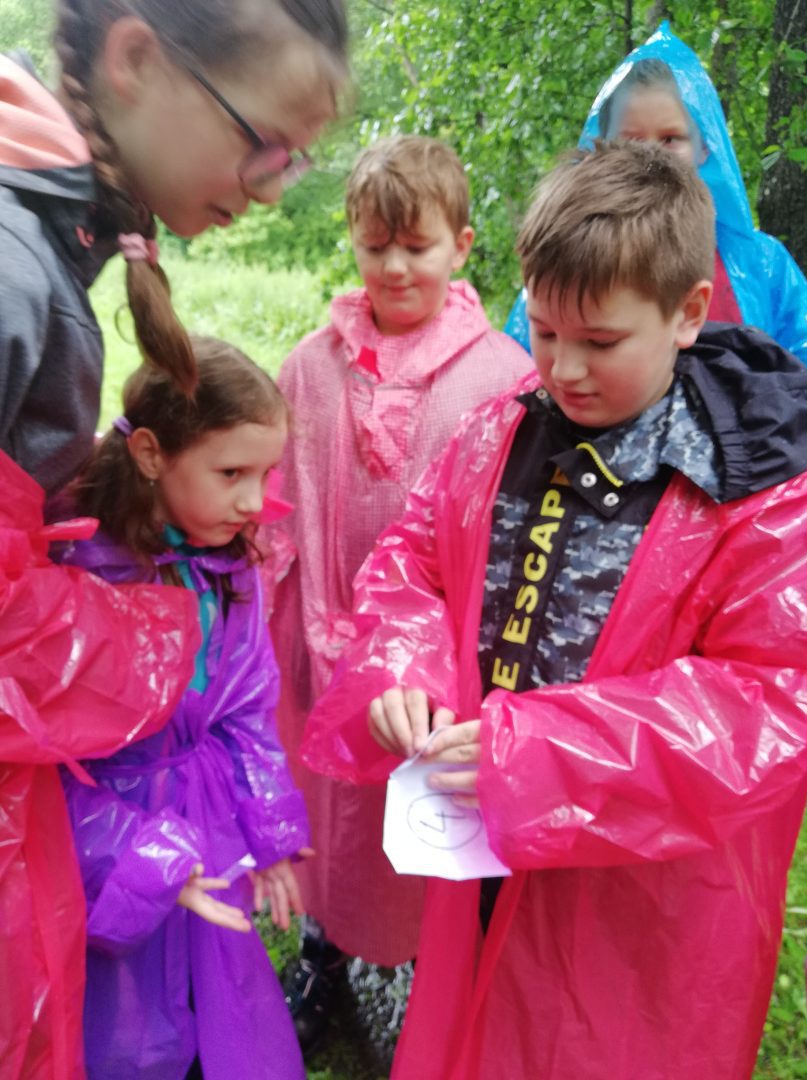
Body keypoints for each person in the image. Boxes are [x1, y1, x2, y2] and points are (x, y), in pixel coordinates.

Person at [301, 140, 807, 1079]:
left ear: (688, 311)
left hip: (639, 907)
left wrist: (535, 754)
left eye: (600, 342)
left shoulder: (761, 487)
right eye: (541, 331)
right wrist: (402, 665)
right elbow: (416, 560)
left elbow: (771, 704)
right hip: (480, 854)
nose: (563, 369)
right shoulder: (504, 427)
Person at [0, 3, 347, 1075]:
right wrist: (146, 634)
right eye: (263, 143)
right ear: (136, 58)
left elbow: (245, 712)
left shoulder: (55, 243)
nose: (274, 188)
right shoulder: (15, 267)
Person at [265, 134, 532, 1045]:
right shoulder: (310, 367)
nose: (393, 266)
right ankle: (323, 953)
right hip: (321, 637)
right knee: (327, 802)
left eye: (416, 246)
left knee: (420, 806)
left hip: (440, 662)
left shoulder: (503, 376)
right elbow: (276, 499)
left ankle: (418, 971)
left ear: (461, 245)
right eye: (374, 245)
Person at [55, 336, 311, 1079]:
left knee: (215, 1002)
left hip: (206, 824)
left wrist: (270, 829)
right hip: (101, 841)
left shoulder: (227, 560)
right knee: (116, 1025)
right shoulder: (78, 574)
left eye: (264, 474)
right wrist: (146, 860)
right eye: (231, 473)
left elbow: (247, 704)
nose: (254, 502)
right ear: (149, 453)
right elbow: (52, 761)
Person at [503, 22, 807, 365]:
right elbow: (521, 367)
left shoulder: (761, 263)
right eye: (632, 140)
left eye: (670, 139)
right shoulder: (571, 257)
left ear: (705, 147)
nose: (652, 156)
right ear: (601, 147)